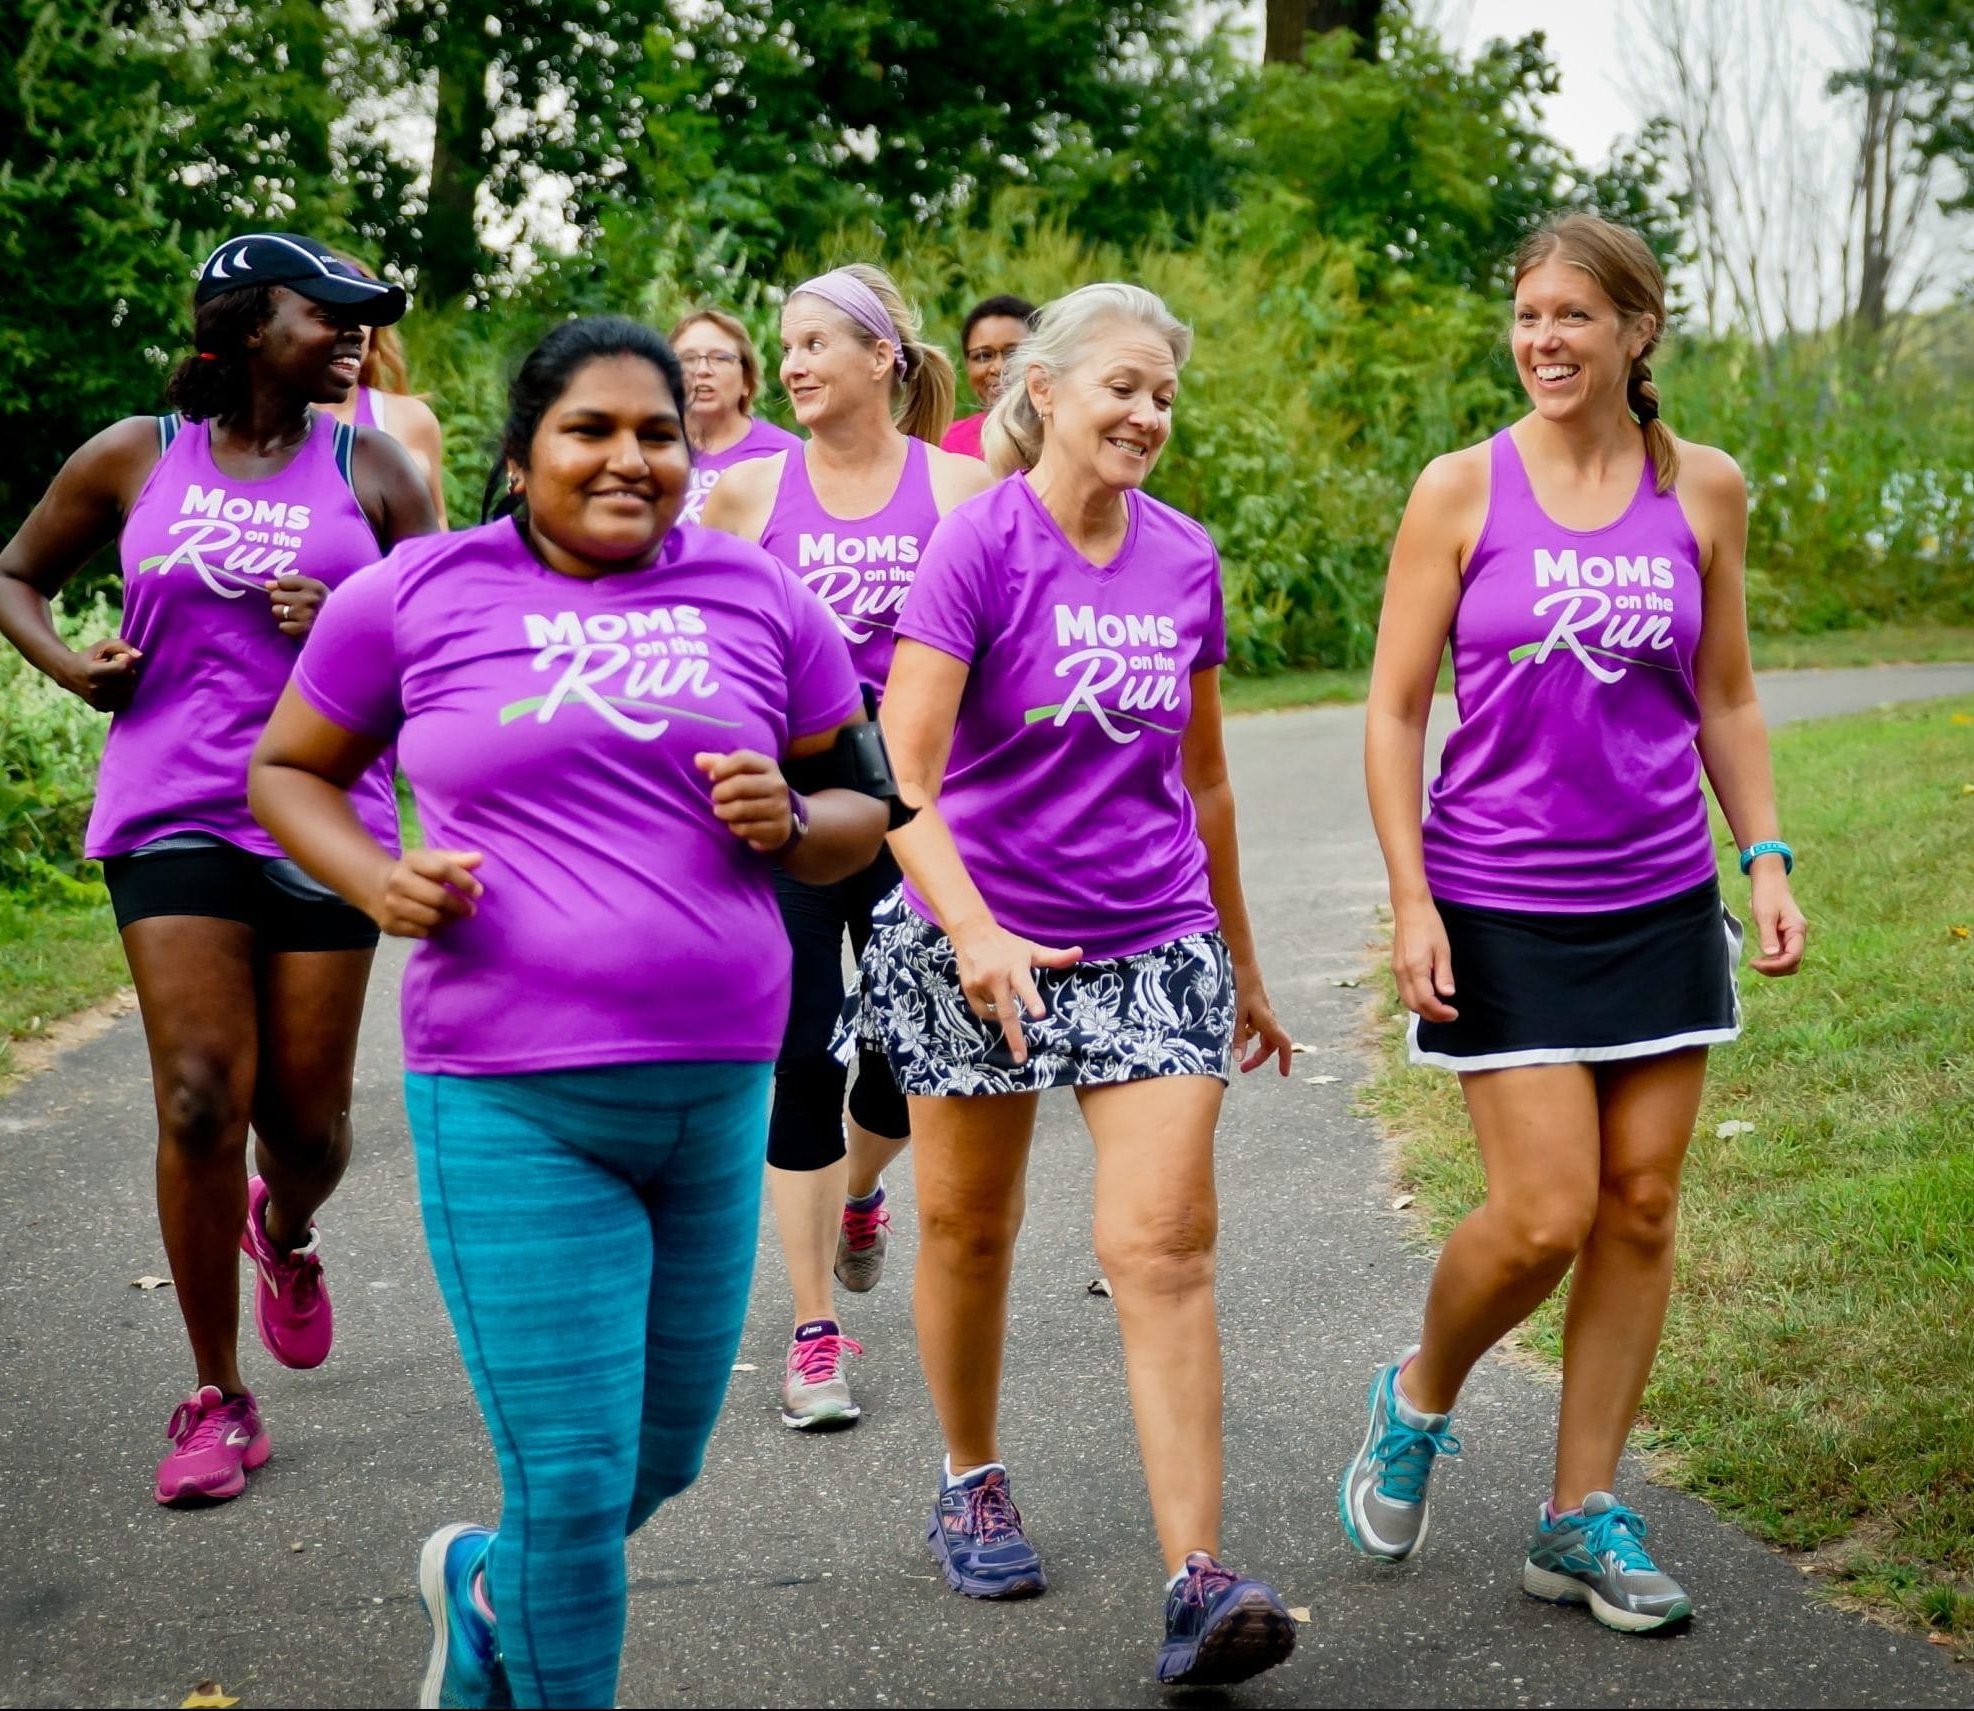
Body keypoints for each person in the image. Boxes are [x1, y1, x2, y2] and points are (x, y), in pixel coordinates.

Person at [246, 316, 886, 1709]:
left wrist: (796, 817)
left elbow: (862, 807)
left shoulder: (759, 595)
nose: (629, 457)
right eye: (589, 430)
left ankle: (485, 1589)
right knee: (579, 1478)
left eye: (657, 431)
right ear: (525, 451)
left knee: (660, 1458)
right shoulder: (415, 593)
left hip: (716, 1094)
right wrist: (375, 873)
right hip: (510, 1095)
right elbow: (289, 768)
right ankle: (528, 1637)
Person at [1341, 212, 1808, 1634]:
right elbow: (1396, 706)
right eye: (1529, 314)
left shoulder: (1707, 489)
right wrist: (1412, 892)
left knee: (1645, 1206)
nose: (1544, 339)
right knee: (1545, 1211)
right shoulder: (1461, 487)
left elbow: (1724, 694)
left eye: (1574, 317)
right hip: (1501, 901)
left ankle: (1576, 1512)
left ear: (1637, 330)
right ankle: (1418, 1393)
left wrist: (1767, 856)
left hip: (1661, 897)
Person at [853, 282, 1298, 1688]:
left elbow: (1206, 774)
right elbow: (898, 776)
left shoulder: (1184, 556)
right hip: (976, 933)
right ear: (1039, 388)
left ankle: (1198, 1577)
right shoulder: (976, 543)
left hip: (1149, 930)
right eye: (1123, 387)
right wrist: (974, 930)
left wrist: (1241, 958)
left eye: (1165, 395)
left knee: (1161, 1241)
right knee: (970, 1228)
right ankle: (970, 1474)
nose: (1148, 415)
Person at [0, 232, 440, 1506]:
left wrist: (352, 631)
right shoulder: (137, 457)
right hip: (171, 806)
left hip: (323, 818)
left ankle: (284, 1230)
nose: (353, 334)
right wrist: (73, 665)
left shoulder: (380, 469)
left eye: (364, 319)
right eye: (327, 312)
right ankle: (216, 1394)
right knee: (197, 1095)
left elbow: (451, 650)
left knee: (308, 1125)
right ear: (247, 327)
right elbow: (15, 573)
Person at [703, 264, 991, 1430]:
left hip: (923, 804)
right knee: (802, 1058)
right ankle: (815, 1331)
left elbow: (1001, 651)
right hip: (802, 806)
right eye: (787, 346)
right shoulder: (745, 495)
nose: (796, 364)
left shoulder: (965, 486)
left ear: (882, 357)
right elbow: (709, 645)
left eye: (820, 342)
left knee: (900, 1057)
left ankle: (863, 1190)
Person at [317, 251, 451, 526]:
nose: (353, 330)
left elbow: (437, 521)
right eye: (334, 314)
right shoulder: (262, 420)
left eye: (362, 314)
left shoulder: (412, 419)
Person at [670, 308, 798, 523]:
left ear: (747, 380)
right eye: (688, 358)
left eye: (720, 358)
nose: (702, 370)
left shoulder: (786, 455)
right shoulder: (649, 449)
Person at [938, 293, 1035, 458]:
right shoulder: (945, 445)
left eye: (1013, 353)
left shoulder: (1063, 435)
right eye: (983, 356)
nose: (999, 367)